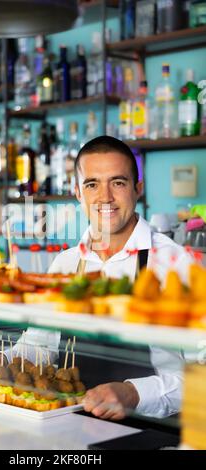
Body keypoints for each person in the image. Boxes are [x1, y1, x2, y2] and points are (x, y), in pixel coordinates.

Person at [49, 135, 193, 421]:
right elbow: (42, 345)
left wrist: (134, 393)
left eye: (118, 182)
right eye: (92, 184)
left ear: (137, 188)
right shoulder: (65, 264)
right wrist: (3, 360)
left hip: (151, 433)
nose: (105, 197)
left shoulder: (177, 265)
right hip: (68, 428)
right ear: (78, 192)